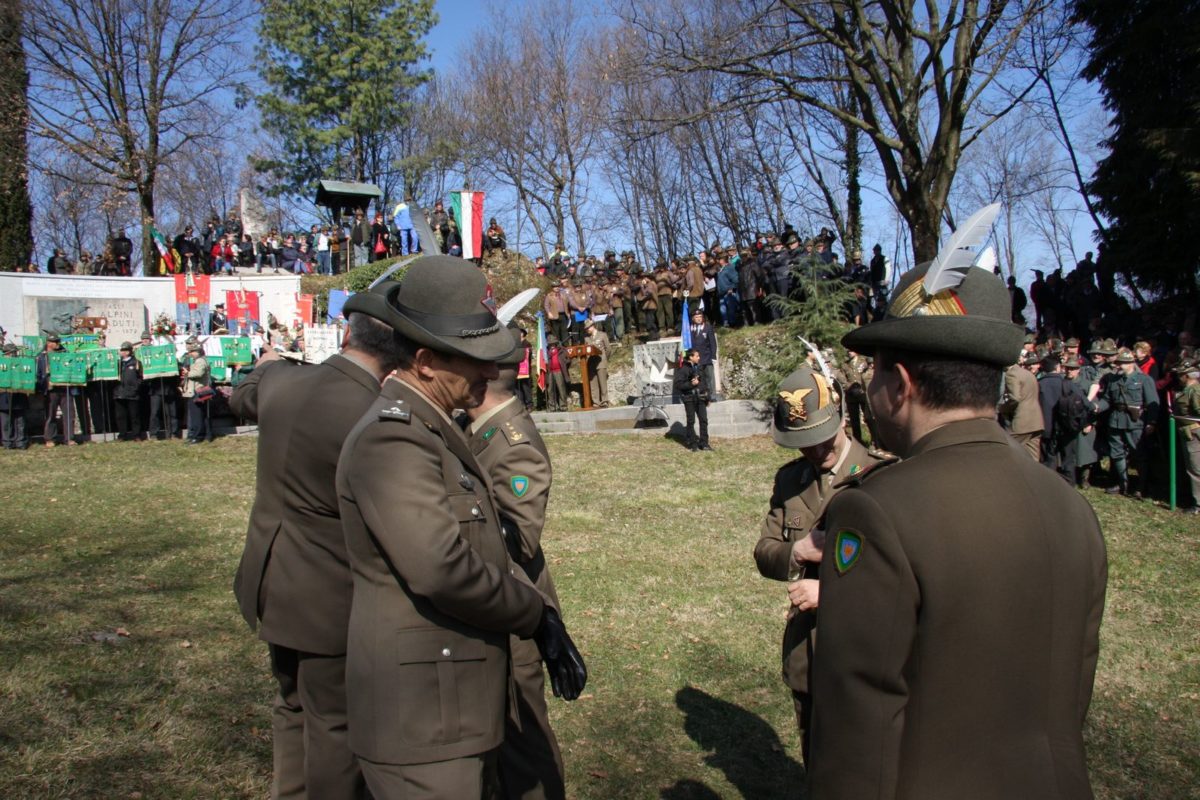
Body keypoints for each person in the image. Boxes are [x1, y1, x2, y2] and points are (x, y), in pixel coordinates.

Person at [805, 260, 1107, 799]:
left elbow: (858, 729)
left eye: (875, 372)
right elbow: (1072, 691)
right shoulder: (1070, 506)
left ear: (900, 384)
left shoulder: (877, 511)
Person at [334, 256, 586, 799]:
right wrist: (534, 613)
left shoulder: (430, 428)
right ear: (425, 362)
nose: (491, 374)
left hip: (448, 707)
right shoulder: (394, 438)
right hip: (422, 719)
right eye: (475, 360)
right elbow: (442, 569)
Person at [232, 283, 404, 800]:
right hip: (328, 595)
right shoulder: (375, 411)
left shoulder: (282, 381)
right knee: (335, 724)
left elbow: (243, 396)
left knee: (292, 707)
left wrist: (266, 364)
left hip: (271, 579)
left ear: (348, 334)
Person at [753, 365, 888, 763]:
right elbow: (765, 551)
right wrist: (798, 552)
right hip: (807, 654)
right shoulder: (790, 481)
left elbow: (900, 575)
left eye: (820, 439)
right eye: (802, 443)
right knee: (815, 763)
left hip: (866, 654)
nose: (812, 451)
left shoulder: (882, 476)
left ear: (842, 418)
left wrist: (831, 593)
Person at [465, 330, 567, 800]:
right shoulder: (477, 428)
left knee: (524, 743)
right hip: (489, 604)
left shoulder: (513, 441)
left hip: (515, 609)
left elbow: (521, 538)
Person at [1094, 347, 1159, 497]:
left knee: (1139, 454)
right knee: (1117, 453)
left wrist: (1152, 422)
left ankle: (1141, 486)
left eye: (1122, 363)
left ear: (1131, 363)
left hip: (1135, 422)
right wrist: (1097, 407)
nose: (1118, 365)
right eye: (1118, 363)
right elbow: (1107, 400)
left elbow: (1153, 403)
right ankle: (1122, 484)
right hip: (1116, 421)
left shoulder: (1144, 380)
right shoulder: (1113, 380)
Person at [1173, 359, 1200, 514]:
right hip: (1187, 432)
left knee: (1195, 469)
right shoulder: (1187, 390)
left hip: (1194, 433)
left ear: (1188, 375)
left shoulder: (1194, 391)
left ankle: (1198, 504)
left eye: (1181, 374)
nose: (1179, 377)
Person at [673, 348, 710, 451]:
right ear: (691, 357)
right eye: (697, 356)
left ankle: (704, 443)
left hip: (701, 398)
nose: (699, 358)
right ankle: (692, 443)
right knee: (691, 421)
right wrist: (691, 384)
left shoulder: (699, 368)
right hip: (689, 398)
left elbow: (704, 383)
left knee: (704, 420)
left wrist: (708, 397)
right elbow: (678, 384)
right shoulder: (683, 369)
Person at [181, 337, 212, 444]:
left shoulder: (200, 361)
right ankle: (205, 435)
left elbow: (198, 373)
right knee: (201, 414)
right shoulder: (200, 360)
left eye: (192, 351)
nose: (190, 354)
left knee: (197, 415)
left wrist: (187, 373)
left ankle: (197, 436)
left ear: (197, 351)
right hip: (201, 390)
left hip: (198, 391)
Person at [0, 343, 29, 449]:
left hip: (19, 394)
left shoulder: (21, 363)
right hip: (4, 396)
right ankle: (7, 442)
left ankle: (20, 442)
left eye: (15, 352)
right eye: (12, 353)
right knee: (6, 421)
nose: (14, 355)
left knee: (20, 421)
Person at [113, 342, 143, 441]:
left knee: (134, 415)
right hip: (119, 392)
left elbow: (140, 377)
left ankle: (137, 435)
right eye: (122, 350)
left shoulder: (136, 362)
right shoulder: (117, 363)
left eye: (125, 350)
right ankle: (122, 435)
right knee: (120, 416)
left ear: (129, 351)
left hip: (132, 393)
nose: (123, 352)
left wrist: (136, 387)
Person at [583, 319, 610, 407]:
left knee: (602, 382)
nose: (587, 330)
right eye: (586, 329)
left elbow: (608, 349)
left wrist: (605, 359)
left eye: (588, 328)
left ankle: (604, 401)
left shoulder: (602, 335)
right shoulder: (586, 338)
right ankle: (596, 402)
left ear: (592, 326)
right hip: (591, 363)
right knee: (593, 384)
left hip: (601, 362)